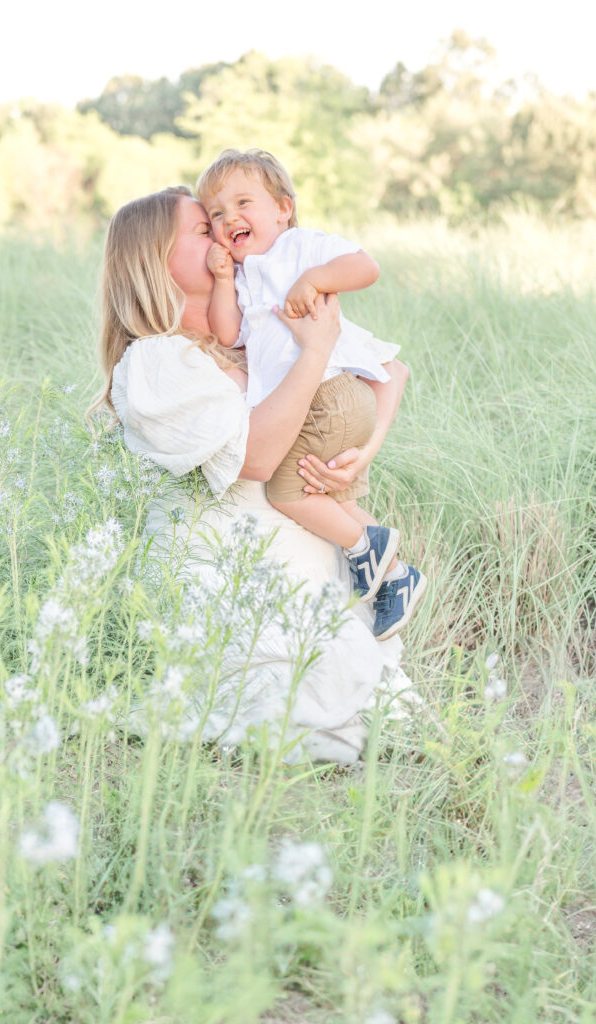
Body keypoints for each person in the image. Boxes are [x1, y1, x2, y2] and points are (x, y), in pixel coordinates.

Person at [90, 185, 421, 765]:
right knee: (312, 721)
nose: (223, 234)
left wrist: (362, 451)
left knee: (373, 718)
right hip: (235, 583)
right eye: (203, 228)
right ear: (153, 260)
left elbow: (391, 370)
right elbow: (259, 459)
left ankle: (379, 570)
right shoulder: (155, 362)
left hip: (310, 578)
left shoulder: (255, 331)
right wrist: (313, 353)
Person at [197, 149, 426, 639]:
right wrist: (220, 279)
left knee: (286, 491)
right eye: (216, 214)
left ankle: (369, 544)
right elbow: (226, 332)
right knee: (325, 493)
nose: (229, 218)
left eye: (243, 203)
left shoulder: (299, 247)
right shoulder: (241, 276)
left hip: (330, 394)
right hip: (316, 403)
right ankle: (397, 578)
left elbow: (366, 266)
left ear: (283, 207)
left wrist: (316, 278)